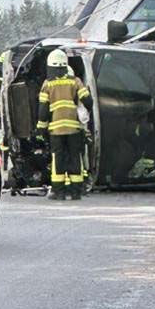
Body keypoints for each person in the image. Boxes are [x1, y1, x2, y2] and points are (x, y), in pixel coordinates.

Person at [37, 49, 93, 201]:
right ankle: (76, 192)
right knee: (76, 157)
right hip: (74, 128)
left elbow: (43, 109)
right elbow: (88, 101)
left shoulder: (48, 84)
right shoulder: (75, 81)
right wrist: (81, 110)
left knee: (58, 159)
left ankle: (58, 191)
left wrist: (41, 127)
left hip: (56, 129)